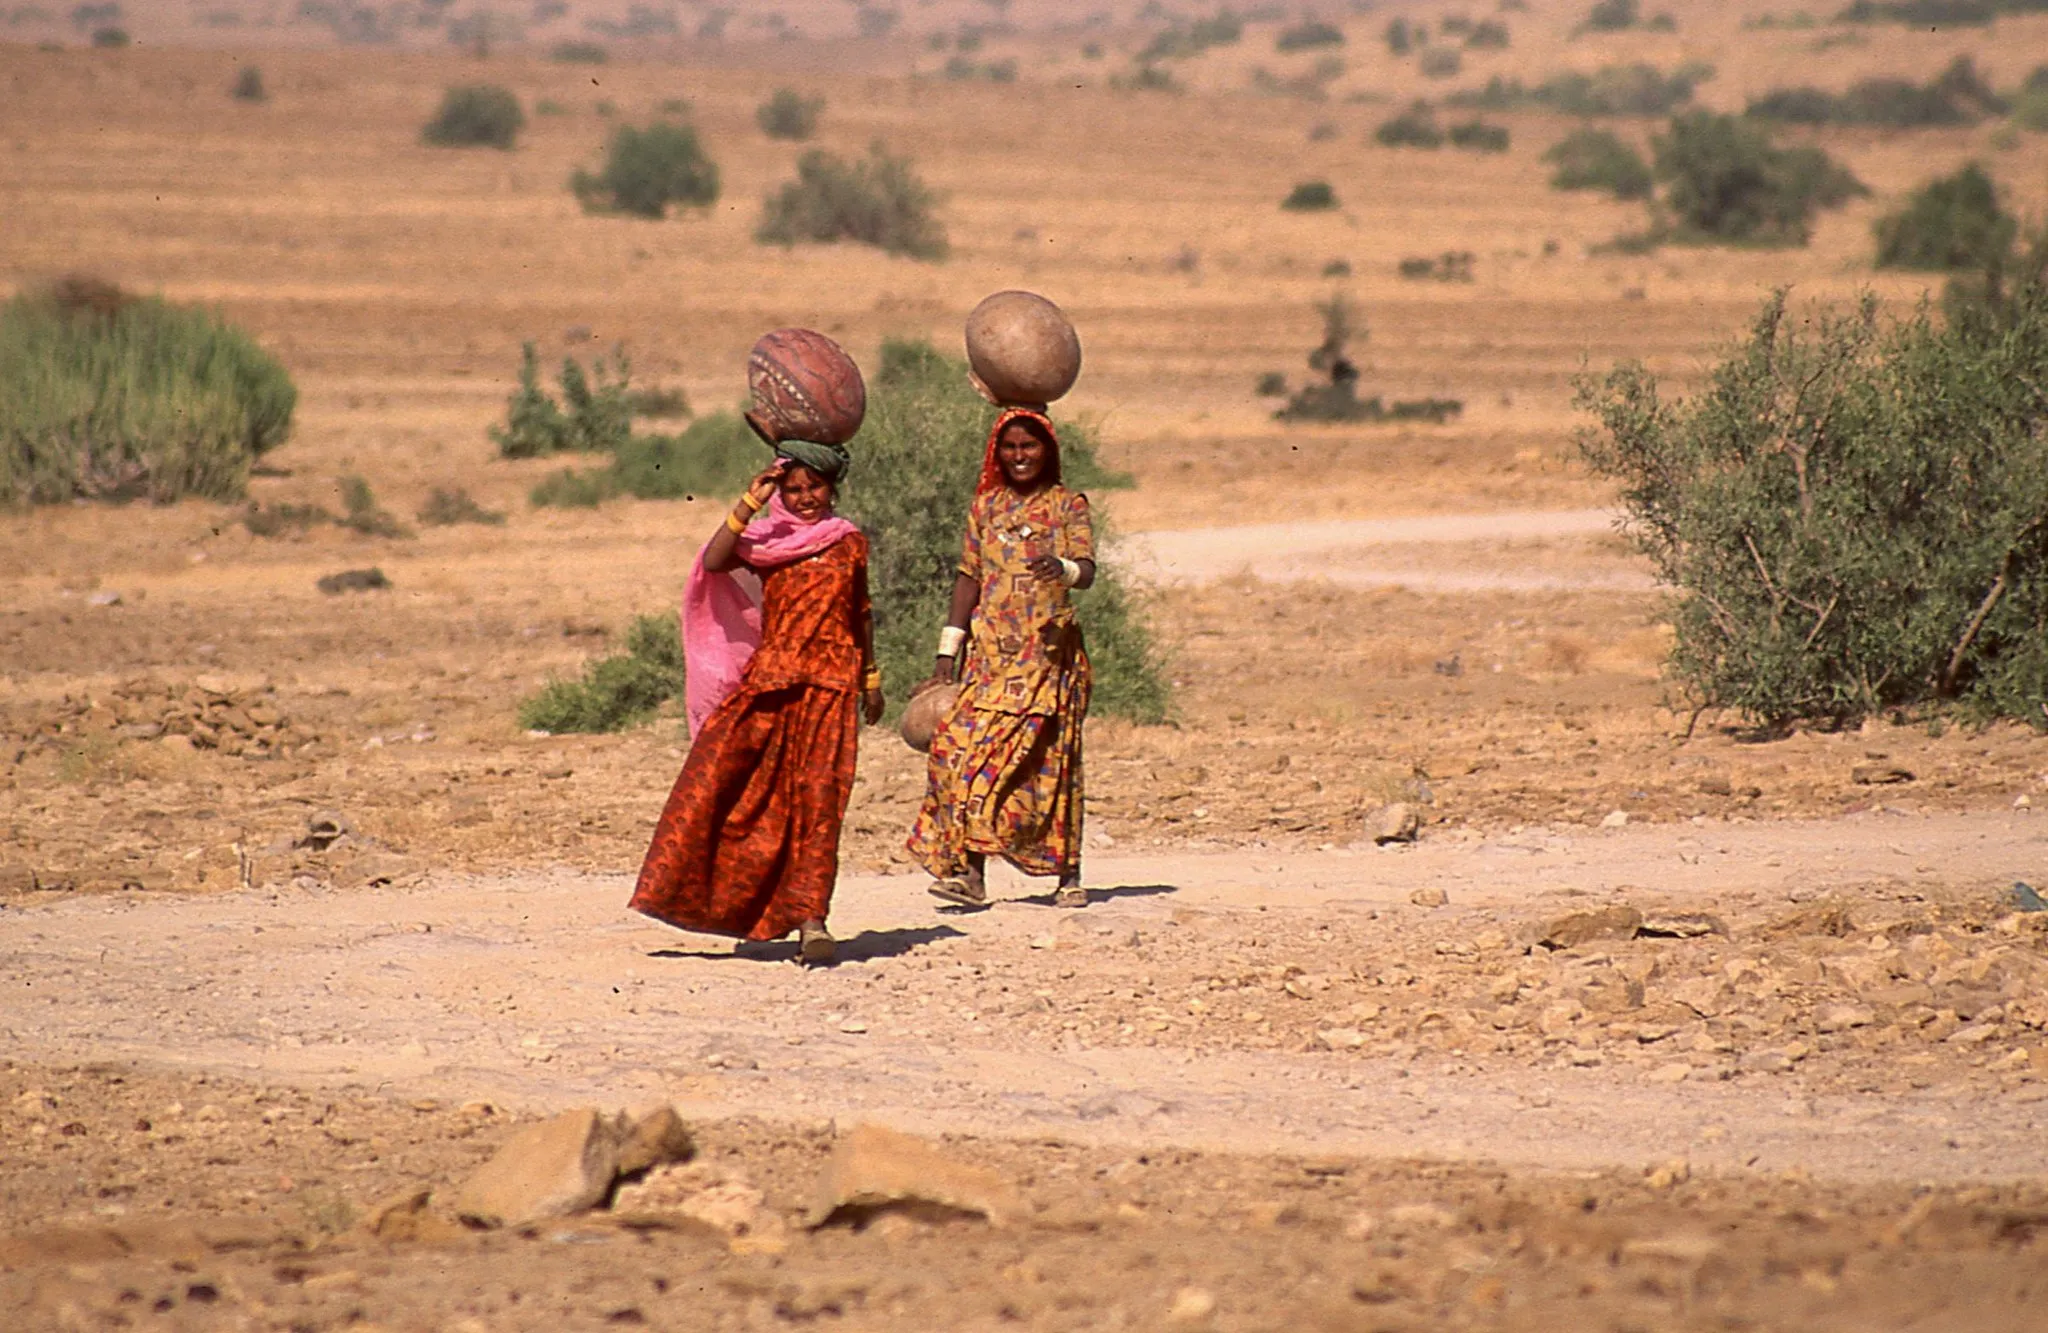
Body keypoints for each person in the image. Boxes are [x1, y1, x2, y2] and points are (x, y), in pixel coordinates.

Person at [629, 444, 884, 965]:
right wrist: (752, 497)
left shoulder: (849, 541)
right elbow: (717, 558)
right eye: (794, 489)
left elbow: (861, 612)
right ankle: (696, 896)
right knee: (723, 786)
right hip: (771, 682)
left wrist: (872, 678)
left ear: (832, 489)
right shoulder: (767, 541)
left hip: (830, 687)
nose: (806, 497)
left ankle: (812, 920)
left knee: (818, 803)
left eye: (815, 486)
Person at [909, 407, 1095, 909]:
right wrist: (947, 654)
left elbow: (1087, 569)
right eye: (1010, 447)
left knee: (1047, 764)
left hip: (1046, 656)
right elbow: (968, 577)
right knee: (955, 750)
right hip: (989, 659)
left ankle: (1067, 874)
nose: (1019, 456)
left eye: (1029, 446)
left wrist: (1061, 568)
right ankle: (969, 874)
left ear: (1048, 450)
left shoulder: (1066, 506)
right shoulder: (985, 508)